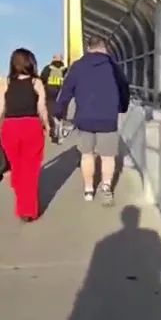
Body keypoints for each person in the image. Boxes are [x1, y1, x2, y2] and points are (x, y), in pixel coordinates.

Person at [54, 34, 130, 206]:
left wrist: (59, 111)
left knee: (87, 155)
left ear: (88, 48)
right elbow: (124, 88)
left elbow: (66, 90)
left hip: (84, 118)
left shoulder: (78, 66)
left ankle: (89, 190)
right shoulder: (113, 66)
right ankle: (106, 188)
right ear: (104, 48)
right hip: (108, 118)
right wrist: (122, 107)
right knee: (107, 156)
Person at [0, 48, 51, 222]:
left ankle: (23, 202)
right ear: (30, 62)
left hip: (10, 127)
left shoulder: (6, 83)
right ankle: (27, 210)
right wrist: (47, 125)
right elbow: (41, 107)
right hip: (32, 126)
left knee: (16, 167)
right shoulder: (36, 82)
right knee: (30, 169)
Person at [40, 53, 68, 143]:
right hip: (61, 92)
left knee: (50, 111)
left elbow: (42, 79)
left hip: (49, 92)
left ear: (53, 59)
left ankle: (53, 130)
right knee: (62, 110)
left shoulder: (47, 68)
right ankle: (61, 126)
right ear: (62, 59)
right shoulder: (65, 70)